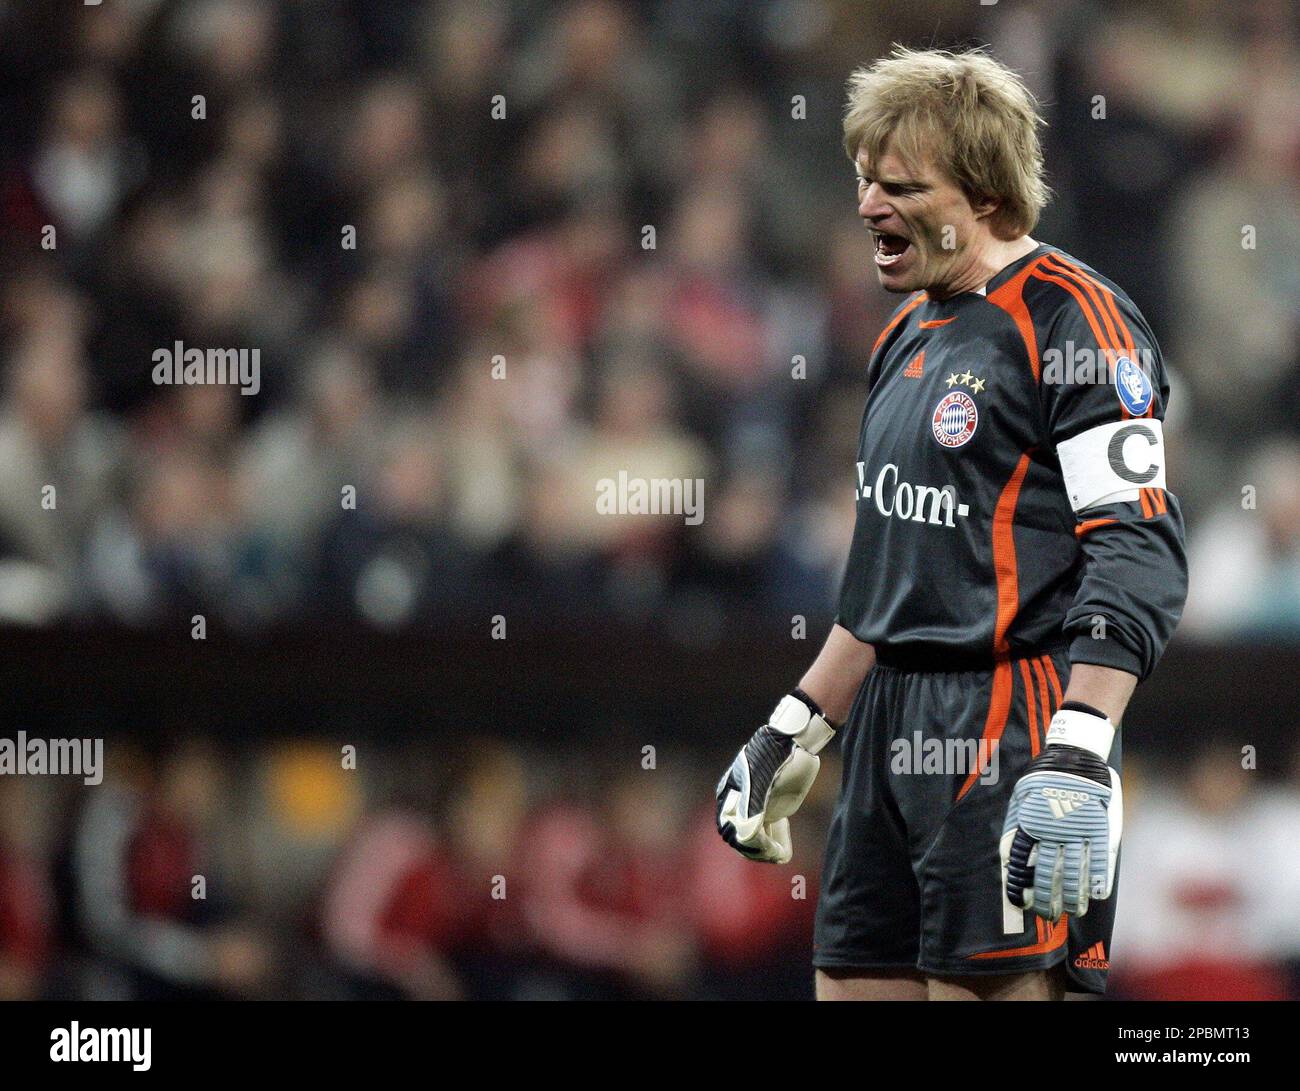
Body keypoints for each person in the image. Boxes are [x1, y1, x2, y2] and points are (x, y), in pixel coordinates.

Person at [715, 47, 1187, 1001]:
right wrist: (795, 726)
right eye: (863, 180)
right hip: (890, 725)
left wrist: (1081, 742)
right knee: (847, 983)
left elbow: (1137, 548)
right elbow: (894, 568)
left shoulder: (1077, 324)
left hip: (1010, 721)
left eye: (900, 186)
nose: (868, 206)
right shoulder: (904, 335)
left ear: (984, 193)